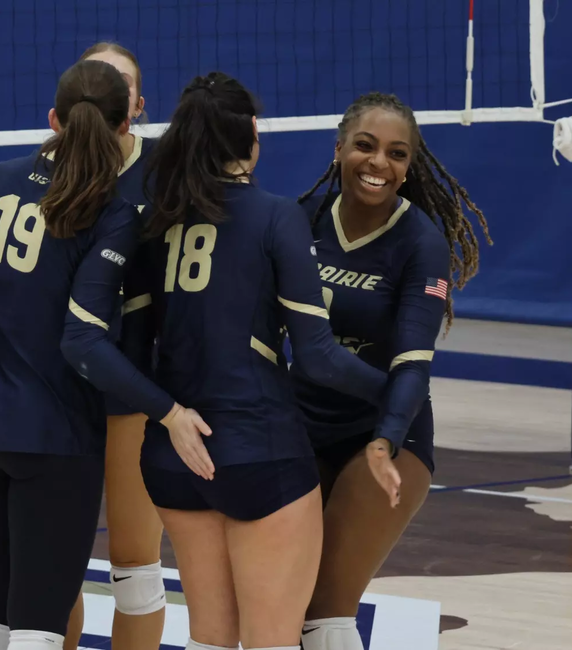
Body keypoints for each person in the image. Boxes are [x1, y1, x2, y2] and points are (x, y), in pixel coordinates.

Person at [0, 58, 208, 650]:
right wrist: (167, 409)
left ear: (54, 118)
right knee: (38, 624)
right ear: (123, 129)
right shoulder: (111, 213)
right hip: (56, 435)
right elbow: (82, 342)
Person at [124, 72, 392, 650]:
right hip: (259, 452)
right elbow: (318, 357)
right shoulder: (275, 215)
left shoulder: (155, 220)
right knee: (272, 641)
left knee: (211, 640)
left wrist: (166, 414)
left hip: (173, 458)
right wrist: (395, 392)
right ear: (250, 134)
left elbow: (129, 355)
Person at [291, 91, 491, 650]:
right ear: (338, 150)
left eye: (397, 154)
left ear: (408, 167)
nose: (379, 163)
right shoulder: (300, 220)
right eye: (366, 146)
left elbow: (413, 360)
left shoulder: (420, 243)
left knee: (325, 615)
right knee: (275, 600)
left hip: (383, 433)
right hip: (298, 424)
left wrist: (384, 437)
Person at [67, 41, 167, 650]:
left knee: (135, 566)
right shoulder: (47, 170)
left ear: (137, 103)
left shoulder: (168, 169)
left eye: (119, 81)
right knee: (57, 565)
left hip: (136, 379)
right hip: (60, 386)